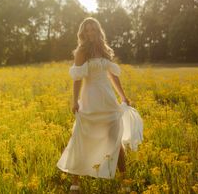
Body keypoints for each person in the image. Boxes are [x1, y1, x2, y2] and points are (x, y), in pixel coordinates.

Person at [56, 17, 143, 193]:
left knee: (115, 139)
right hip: (90, 99)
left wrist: (123, 96)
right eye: (87, 30)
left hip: (108, 99)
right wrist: (74, 100)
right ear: (83, 33)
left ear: (98, 31)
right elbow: (77, 78)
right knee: (82, 137)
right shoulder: (81, 51)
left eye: (93, 30)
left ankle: (124, 179)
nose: (90, 33)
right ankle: (75, 181)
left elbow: (113, 75)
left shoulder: (104, 50)